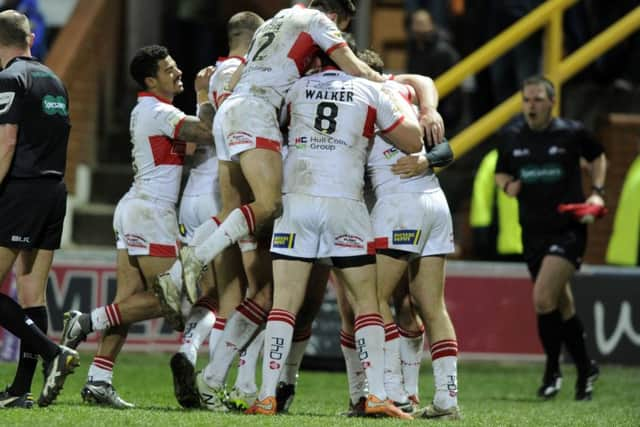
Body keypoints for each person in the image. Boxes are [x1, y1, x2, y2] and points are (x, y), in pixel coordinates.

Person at [242, 43, 423, 418]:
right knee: (367, 304)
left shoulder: (295, 88)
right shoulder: (370, 90)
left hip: (299, 202)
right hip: (345, 205)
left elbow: (268, 122)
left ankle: (265, 395)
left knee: (284, 304)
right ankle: (375, 395)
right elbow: (413, 141)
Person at [58, 45, 216, 408]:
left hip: (135, 206)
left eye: (176, 65)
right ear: (150, 80)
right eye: (169, 69)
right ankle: (87, 320)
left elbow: (189, 148)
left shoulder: (151, 110)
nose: (177, 72)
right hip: (151, 212)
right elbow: (205, 133)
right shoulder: (159, 111)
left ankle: (98, 379)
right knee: (173, 298)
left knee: (128, 303)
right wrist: (204, 94)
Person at [168, 11, 264, 409]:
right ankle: (236, 381)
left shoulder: (211, 76)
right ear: (258, 37)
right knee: (244, 294)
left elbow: (192, 144)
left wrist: (202, 98)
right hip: (227, 195)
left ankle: (190, 351)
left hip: (193, 191)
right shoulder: (255, 74)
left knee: (215, 293)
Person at [495, 75, 606, 401]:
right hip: (532, 231)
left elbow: (598, 156)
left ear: (551, 102)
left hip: (567, 229)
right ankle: (586, 368)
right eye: (527, 99)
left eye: (538, 99)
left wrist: (597, 193)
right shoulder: (512, 135)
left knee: (543, 297)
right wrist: (506, 186)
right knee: (562, 303)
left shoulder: (572, 133)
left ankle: (552, 370)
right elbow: (501, 171)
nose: (532, 105)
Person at [0, 9, 79, 409]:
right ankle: (20, 391)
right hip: (54, 189)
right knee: (32, 295)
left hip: (22, 191)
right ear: (30, 38)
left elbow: (7, 143)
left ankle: (52, 354)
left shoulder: (10, 78)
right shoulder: (55, 79)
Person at [406, 9, 462, 132]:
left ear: (431, 24)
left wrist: (448, 114)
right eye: (415, 23)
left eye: (422, 23)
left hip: (443, 112)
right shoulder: (413, 48)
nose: (418, 28)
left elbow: (455, 88)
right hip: (420, 109)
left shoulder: (444, 50)